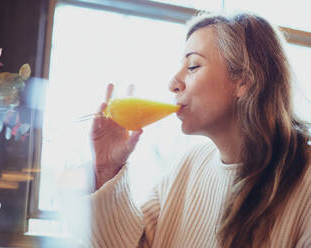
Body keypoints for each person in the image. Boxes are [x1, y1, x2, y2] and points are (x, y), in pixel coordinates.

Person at [88, 12, 311, 248]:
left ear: (245, 81)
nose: (173, 82)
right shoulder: (189, 164)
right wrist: (106, 169)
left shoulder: (305, 178)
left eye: (193, 66)